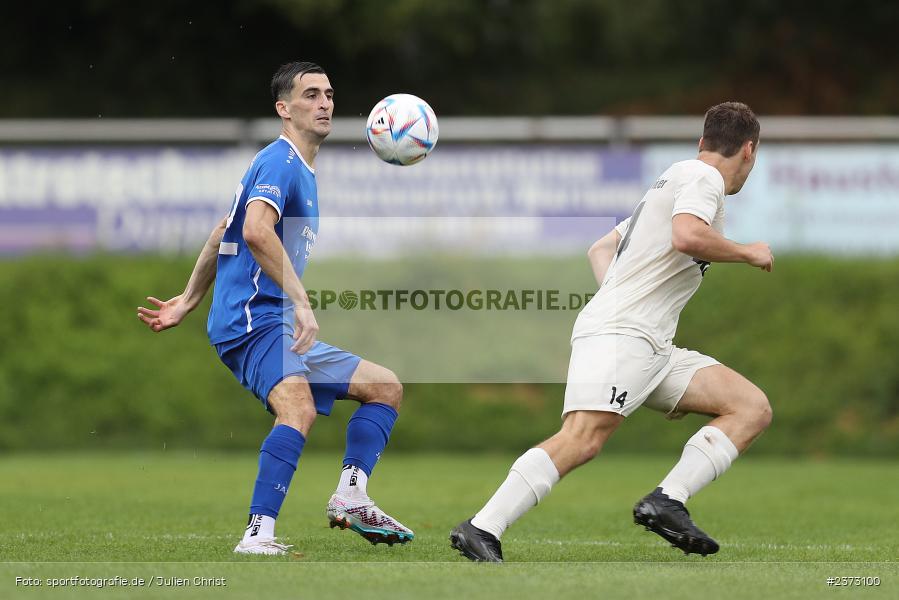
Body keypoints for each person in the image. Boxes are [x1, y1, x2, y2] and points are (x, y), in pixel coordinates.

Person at [450, 102, 774, 562]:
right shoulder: (704, 180)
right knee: (582, 437)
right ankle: (482, 527)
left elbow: (601, 247)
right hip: (627, 333)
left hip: (650, 342)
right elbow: (686, 237)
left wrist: (620, 297)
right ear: (749, 151)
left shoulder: (675, 180)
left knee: (749, 407)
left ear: (703, 142)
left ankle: (668, 500)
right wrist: (747, 252)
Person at [138, 61, 413, 555]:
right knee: (297, 408)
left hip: (274, 321)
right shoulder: (280, 161)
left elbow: (224, 228)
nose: (324, 103)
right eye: (310, 95)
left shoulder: (299, 169)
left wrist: (187, 300)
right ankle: (257, 534)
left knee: (385, 388)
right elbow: (252, 231)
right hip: (253, 321)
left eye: (329, 94)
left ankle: (351, 496)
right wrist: (302, 301)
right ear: (283, 110)